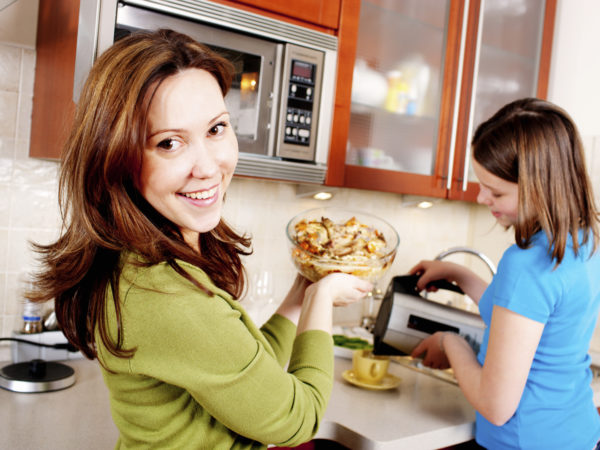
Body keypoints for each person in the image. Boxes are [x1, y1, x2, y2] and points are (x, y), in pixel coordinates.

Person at [27, 29, 372, 449]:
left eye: (216, 129)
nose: (208, 167)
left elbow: (240, 367)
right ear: (118, 157)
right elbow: (297, 419)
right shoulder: (168, 296)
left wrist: (301, 295)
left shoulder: (141, 264)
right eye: (169, 143)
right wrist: (323, 301)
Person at [410, 98, 600, 449]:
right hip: (578, 434)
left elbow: (496, 406)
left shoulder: (526, 262)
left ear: (540, 187)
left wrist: (450, 343)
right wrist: (458, 275)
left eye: (496, 191)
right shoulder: (583, 241)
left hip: (523, 440)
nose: (482, 198)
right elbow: (525, 318)